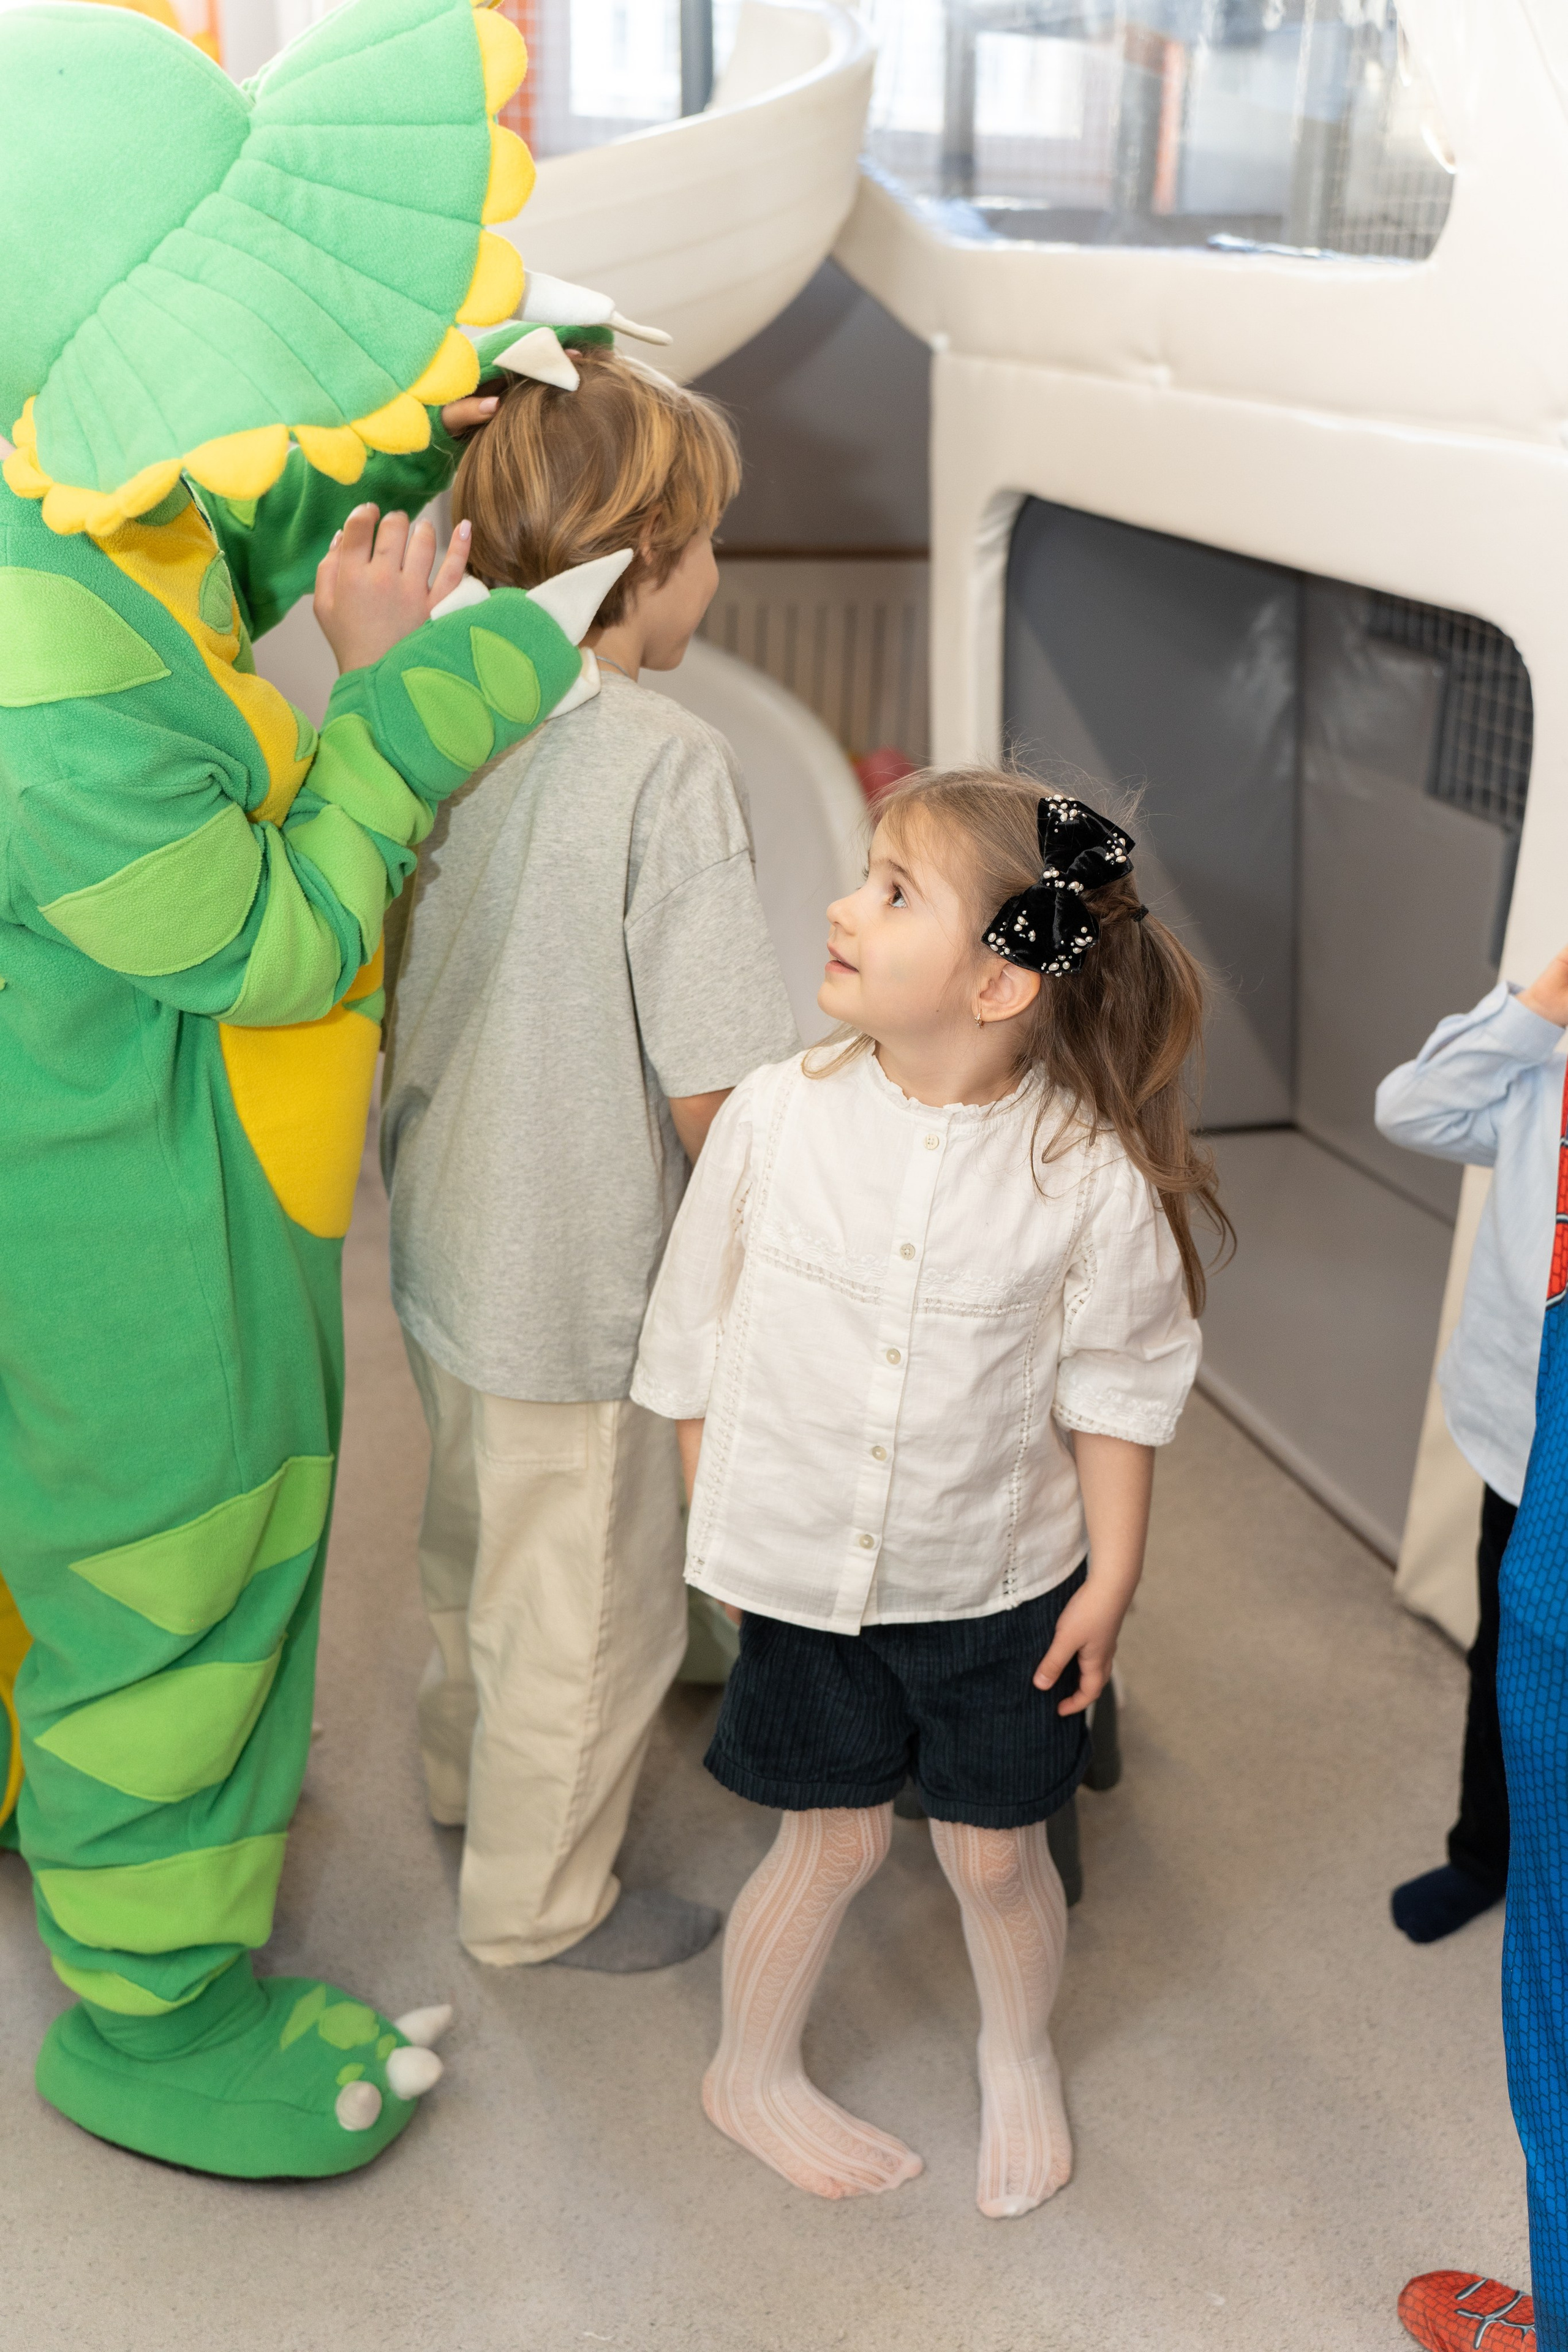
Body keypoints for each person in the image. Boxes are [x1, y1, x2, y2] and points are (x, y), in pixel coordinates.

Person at [0, 0, 619, 2179]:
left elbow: (205, 539)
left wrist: (404, 416)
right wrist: (411, 708)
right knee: (188, 1573)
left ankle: (61, 1793)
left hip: (88, 1176)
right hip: (140, 1229)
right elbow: (268, 936)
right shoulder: (45, 696)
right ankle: (157, 2015)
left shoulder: (62, 518)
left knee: (59, 1549)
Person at [631, 772, 1218, 2214]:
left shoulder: (1082, 1175)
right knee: (826, 1842)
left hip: (995, 1592)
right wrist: (724, 1540)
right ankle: (745, 2074)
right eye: (864, 875)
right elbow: (693, 1339)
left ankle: (1017, 2053)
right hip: (807, 1591)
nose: (842, 907)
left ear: (1000, 984)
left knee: (995, 1860)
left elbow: (1116, 1389)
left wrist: (1112, 1579)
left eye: (893, 892)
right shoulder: (774, 1118)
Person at [380, 345, 800, 1975]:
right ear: (652, 559)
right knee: (586, 1606)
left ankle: (457, 1778)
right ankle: (539, 1904)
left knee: (477, 1542)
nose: (717, 573)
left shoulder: (430, 715)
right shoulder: (665, 762)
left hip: (449, 1235)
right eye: (710, 544)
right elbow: (716, 1084)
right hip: (581, 1275)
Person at [1374, 946, 1568, 1943]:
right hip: (1526, 1435)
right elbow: (1411, 1110)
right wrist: (1539, 1007)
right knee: (1511, 1656)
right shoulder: (1542, 1053)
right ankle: (1485, 1852)